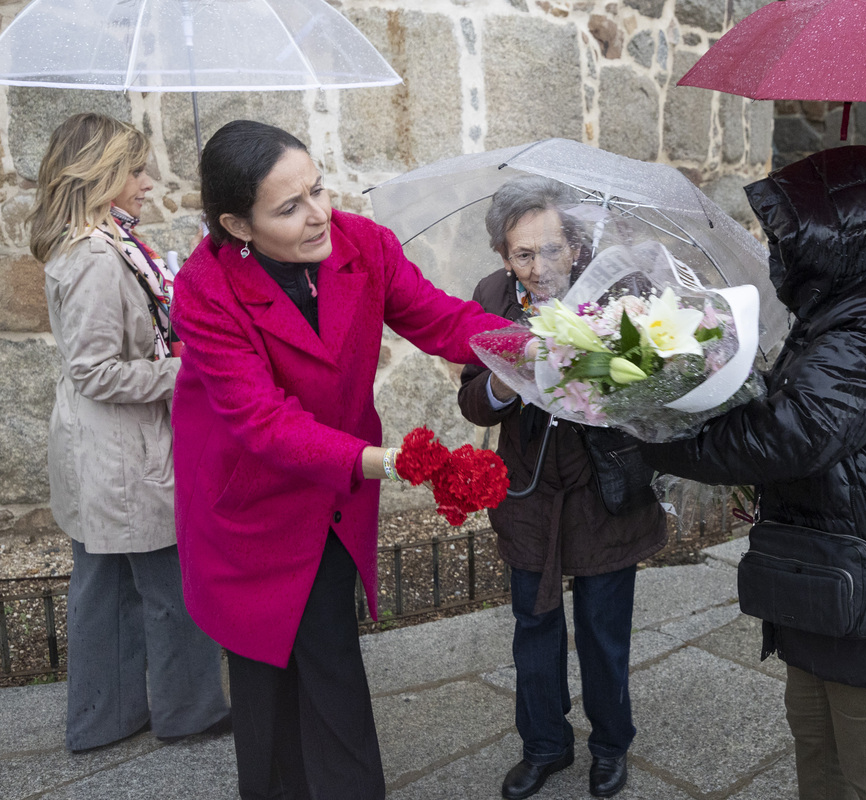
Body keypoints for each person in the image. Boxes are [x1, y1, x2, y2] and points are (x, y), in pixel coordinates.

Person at [170, 119, 510, 800]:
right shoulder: (204, 290)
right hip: (250, 503)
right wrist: (390, 461)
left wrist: (529, 345)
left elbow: (440, 319)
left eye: (319, 190)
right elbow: (262, 422)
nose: (320, 214)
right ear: (238, 224)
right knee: (266, 675)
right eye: (289, 208)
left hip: (332, 493)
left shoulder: (363, 244)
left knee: (329, 653)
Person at [641, 146, 866, 800]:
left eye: (788, 234)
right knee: (822, 754)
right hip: (838, 575)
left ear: (843, 236)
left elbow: (790, 435)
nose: (776, 246)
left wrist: (654, 437)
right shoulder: (846, 302)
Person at [457, 176, 666, 799]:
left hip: (604, 489)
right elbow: (473, 399)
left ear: (575, 245)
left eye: (551, 250)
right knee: (534, 626)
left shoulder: (620, 290)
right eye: (524, 254)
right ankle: (545, 744)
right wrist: (506, 378)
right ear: (503, 256)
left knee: (604, 632)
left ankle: (610, 745)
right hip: (530, 493)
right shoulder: (492, 297)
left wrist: (600, 377)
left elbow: (657, 387)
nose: (540, 266)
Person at [28, 112, 229, 752]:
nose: (147, 183)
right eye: (135, 171)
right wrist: (183, 372)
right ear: (102, 176)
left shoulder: (106, 242)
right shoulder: (94, 256)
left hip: (110, 448)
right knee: (169, 583)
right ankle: (189, 710)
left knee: (107, 586)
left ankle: (102, 718)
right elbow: (95, 370)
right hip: (123, 453)